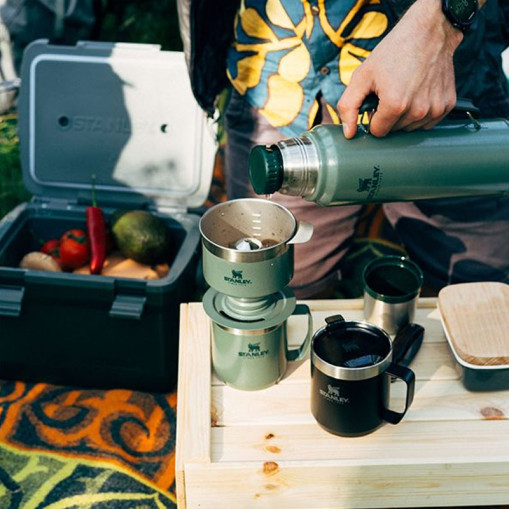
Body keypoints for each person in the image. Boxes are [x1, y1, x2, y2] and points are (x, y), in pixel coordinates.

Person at [178, 0, 509, 298]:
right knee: (272, 290)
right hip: (283, 81)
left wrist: (440, 24)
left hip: (441, 85)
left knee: (482, 292)